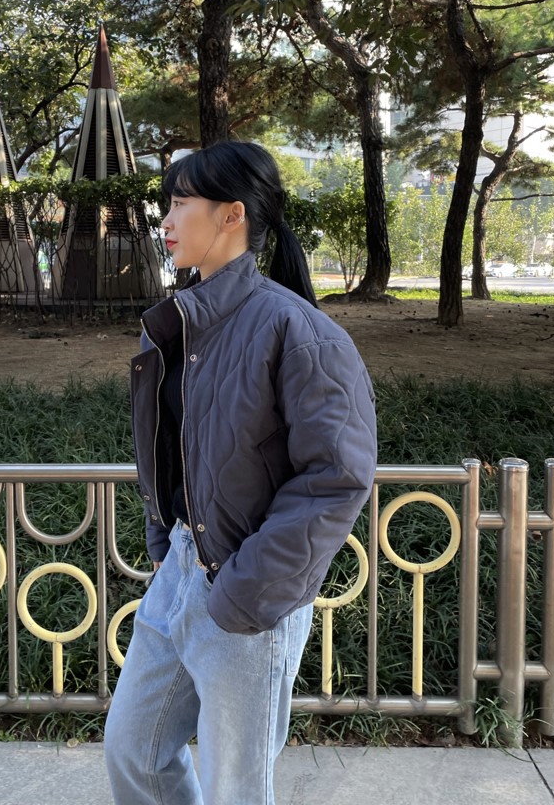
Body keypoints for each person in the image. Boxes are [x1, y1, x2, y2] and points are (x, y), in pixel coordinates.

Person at [104, 141, 377, 805]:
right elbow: (171, 447)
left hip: (247, 593)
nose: (166, 220)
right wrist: (166, 541)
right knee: (134, 754)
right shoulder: (179, 323)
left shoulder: (297, 330)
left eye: (180, 203)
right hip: (179, 572)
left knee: (237, 790)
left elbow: (337, 478)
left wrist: (244, 590)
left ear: (232, 215)